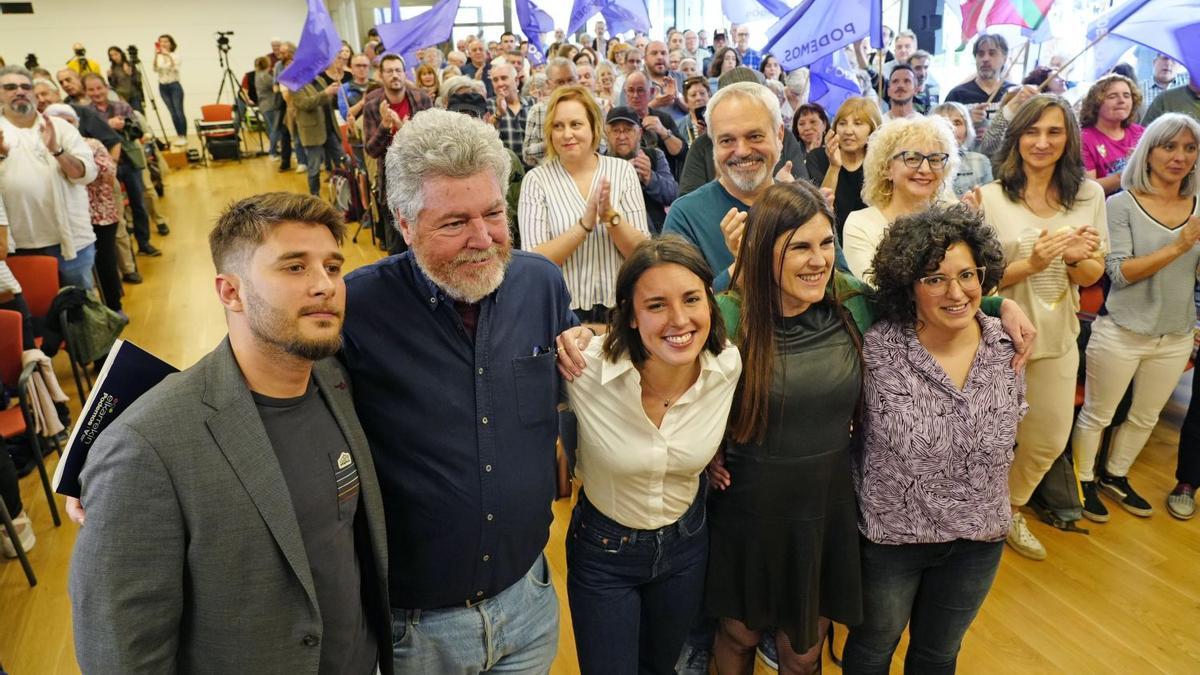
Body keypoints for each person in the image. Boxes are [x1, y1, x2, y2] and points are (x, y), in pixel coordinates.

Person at [68, 192, 392, 674]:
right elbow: (122, 655)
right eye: (295, 267)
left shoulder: (335, 380)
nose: (325, 285)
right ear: (230, 292)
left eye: (332, 266)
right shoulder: (142, 449)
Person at [340, 108, 592, 672]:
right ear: (404, 225)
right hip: (418, 632)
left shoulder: (540, 284)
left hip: (529, 604)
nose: (483, 239)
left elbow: (570, 369)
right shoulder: (355, 310)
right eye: (454, 223)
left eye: (494, 213)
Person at [843, 205, 1026, 674]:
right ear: (909, 285)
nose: (956, 291)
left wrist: (1004, 305)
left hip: (978, 539)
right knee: (872, 650)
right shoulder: (876, 351)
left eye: (967, 274)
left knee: (938, 655)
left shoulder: (1008, 347)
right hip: (892, 541)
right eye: (934, 279)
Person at [704, 181, 864, 675]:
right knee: (737, 634)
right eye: (799, 246)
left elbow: (934, 302)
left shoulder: (853, 300)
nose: (818, 259)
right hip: (746, 506)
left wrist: (997, 306)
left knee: (803, 652)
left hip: (823, 508)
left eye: (825, 243)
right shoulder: (729, 315)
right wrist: (703, 450)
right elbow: (676, 392)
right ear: (761, 250)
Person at [563, 236, 740, 675]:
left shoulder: (727, 367)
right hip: (604, 551)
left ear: (710, 302)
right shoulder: (584, 368)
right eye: (656, 305)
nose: (679, 319)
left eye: (692, 299)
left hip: (686, 546)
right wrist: (580, 330)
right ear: (631, 313)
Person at [975, 95, 1107, 561]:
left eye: (1053, 131)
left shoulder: (1089, 196)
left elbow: (1093, 275)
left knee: (1049, 436)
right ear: (1017, 137)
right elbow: (979, 280)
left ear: (1069, 136)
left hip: (1057, 334)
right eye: (1032, 131)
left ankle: (1009, 509)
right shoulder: (990, 197)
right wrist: (1034, 261)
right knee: (985, 437)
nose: (1042, 142)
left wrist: (1075, 258)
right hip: (992, 339)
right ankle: (973, 514)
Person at [1070, 113, 1200, 521]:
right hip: (1122, 329)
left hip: (1177, 332)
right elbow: (1120, 273)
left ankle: (1116, 475)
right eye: (1169, 146)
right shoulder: (1120, 205)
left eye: (1190, 148)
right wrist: (1181, 246)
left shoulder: (1197, 206)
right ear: (1148, 152)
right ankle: (1082, 480)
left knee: (1144, 416)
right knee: (1099, 413)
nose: (1179, 157)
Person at [667, 81, 834, 295]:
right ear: (713, 145)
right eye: (727, 140)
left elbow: (841, 285)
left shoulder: (808, 205)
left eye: (755, 136)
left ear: (779, 135)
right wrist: (743, 266)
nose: (742, 151)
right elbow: (679, 307)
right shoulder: (686, 216)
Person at [518, 86, 649, 323]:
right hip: (561, 314)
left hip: (622, 309)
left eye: (575, 124)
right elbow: (534, 262)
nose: (567, 134)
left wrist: (611, 218)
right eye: (558, 126)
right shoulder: (536, 180)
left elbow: (641, 252)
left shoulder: (622, 171)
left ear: (593, 127)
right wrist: (584, 226)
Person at [0, 65, 99, 290]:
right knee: (39, 318)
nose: (20, 91)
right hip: (20, 246)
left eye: (26, 86)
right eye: (10, 87)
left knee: (82, 315)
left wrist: (57, 150)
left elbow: (86, 175)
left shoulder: (60, 127)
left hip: (71, 242)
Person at [843, 116, 960, 282]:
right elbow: (872, 291)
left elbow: (981, 288)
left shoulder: (954, 219)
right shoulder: (861, 224)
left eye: (934, 160)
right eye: (912, 158)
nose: (925, 169)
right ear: (886, 169)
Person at [44, 104, 122, 312]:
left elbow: (105, 172)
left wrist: (73, 161)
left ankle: (113, 307)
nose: (62, 128)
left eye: (67, 122)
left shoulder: (91, 144)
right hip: (65, 223)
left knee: (105, 261)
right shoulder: (40, 150)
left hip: (100, 214)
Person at [83, 72, 164, 254]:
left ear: (106, 87)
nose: (96, 92)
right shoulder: (87, 113)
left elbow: (138, 131)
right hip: (103, 167)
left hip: (130, 162)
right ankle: (125, 254)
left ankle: (144, 243)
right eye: (91, 89)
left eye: (99, 88)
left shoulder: (122, 106)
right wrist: (107, 125)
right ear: (86, 92)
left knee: (139, 204)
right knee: (116, 211)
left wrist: (124, 124)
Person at [363, 54, 433, 252]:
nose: (394, 75)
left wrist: (404, 130)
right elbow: (372, 150)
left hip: (422, 180)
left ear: (405, 74)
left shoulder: (421, 99)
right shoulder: (372, 106)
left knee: (425, 242)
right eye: (389, 71)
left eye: (398, 70)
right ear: (381, 76)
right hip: (391, 183)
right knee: (397, 246)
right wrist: (385, 126)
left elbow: (432, 143)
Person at [806, 96, 882, 237]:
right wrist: (834, 167)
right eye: (842, 123)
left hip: (870, 239)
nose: (848, 131)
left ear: (872, 130)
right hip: (829, 239)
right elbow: (819, 210)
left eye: (858, 124)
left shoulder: (880, 164)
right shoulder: (817, 158)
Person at [604, 106, 678, 234]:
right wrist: (622, 175)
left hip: (656, 235)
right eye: (616, 131)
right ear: (607, 134)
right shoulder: (599, 162)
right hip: (613, 233)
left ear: (639, 133)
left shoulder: (655, 156)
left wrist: (650, 177)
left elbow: (672, 195)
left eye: (628, 130)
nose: (622, 137)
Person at [1079, 74, 1145, 195]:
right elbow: (1088, 190)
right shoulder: (1084, 139)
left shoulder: (1141, 133)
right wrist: (1128, 171)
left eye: (1127, 95)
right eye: (1112, 96)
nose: (1122, 101)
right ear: (1096, 103)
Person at [291, 61, 348, 198]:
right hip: (313, 132)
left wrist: (334, 92)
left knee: (343, 160)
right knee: (314, 168)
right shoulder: (295, 86)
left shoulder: (319, 79)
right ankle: (315, 197)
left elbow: (325, 100)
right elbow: (305, 104)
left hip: (330, 129)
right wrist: (325, 93)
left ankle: (346, 193)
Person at [945, 34, 1015, 136]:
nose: (985, 59)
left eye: (992, 53)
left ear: (1004, 58)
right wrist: (966, 121)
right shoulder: (957, 94)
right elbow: (941, 133)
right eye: (980, 54)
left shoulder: (1014, 93)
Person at [622, 71, 687, 179]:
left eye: (640, 90)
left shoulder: (663, 118)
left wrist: (663, 131)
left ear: (651, 92)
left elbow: (682, 153)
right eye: (631, 90)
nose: (635, 95)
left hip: (665, 181)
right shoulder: (620, 120)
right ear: (625, 93)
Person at [522, 58, 580, 166]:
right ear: (548, 84)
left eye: (570, 80)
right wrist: (552, 144)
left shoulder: (590, 107)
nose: (566, 86)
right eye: (560, 82)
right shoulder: (538, 111)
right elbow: (527, 156)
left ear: (578, 79)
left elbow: (603, 146)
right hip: (549, 177)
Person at [932, 101, 993, 197]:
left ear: (967, 130)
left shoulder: (981, 162)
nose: (951, 127)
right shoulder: (922, 164)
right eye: (944, 122)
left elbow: (989, 204)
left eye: (957, 122)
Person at [489, 62, 534, 165]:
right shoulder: (488, 105)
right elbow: (484, 135)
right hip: (506, 173)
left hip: (534, 170)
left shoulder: (532, 102)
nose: (500, 84)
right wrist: (499, 113)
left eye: (504, 78)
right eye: (495, 80)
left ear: (516, 80)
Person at [152, 34, 187, 146]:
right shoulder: (159, 57)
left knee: (179, 111)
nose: (163, 44)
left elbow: (174, 68)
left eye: (166, 41)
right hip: (163, 86)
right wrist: (156, 55)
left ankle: (184, 135)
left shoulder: (175, 55)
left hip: (174, 86)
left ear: (171, 44)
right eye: (161, 41)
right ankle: (179, 135)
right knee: (172, 113)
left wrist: (168, 56)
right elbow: (155, 69)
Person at [254, 56, 281, 160]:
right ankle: (273, 152)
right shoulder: (265, 76)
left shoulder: (258, 75)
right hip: (270, 105)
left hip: (264, 105)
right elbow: (275, 86)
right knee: (275, 129)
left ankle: (275, 150)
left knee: (274, 129)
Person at [106, 46, 141, 111]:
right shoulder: (112, 68)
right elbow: (113, 85)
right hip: (121, 97)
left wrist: (130, 74)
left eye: (116, 54)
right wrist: (109, 77)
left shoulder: (130, 64)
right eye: (111, 55)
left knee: (138, 115)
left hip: (133, 95)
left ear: (121, 53)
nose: (114, 57)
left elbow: (138, 81)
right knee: (127, 118)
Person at [680, 76, 709, 144]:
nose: (698, 98)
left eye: (702, 93)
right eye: (693, 95)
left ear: (709, 95)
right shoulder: (679, 126)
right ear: (685, 101)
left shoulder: (720, 120)